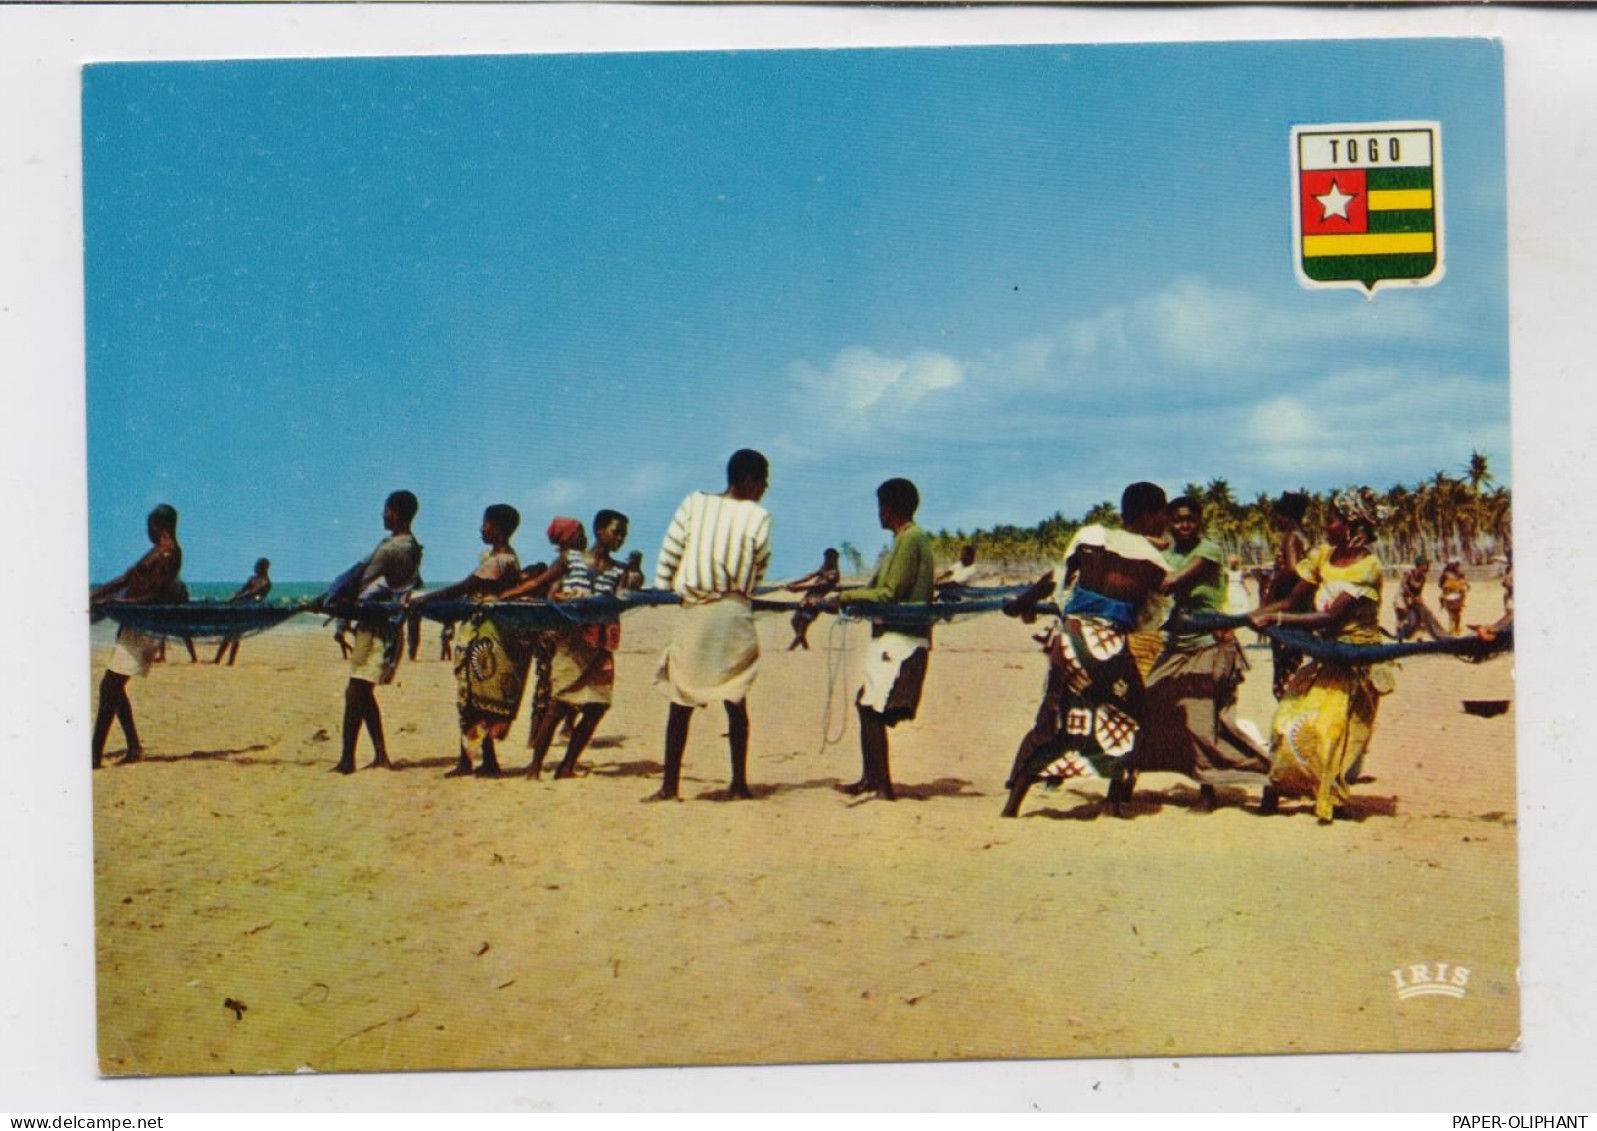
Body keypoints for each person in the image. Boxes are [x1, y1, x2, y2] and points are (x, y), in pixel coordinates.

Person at [999, 482, 1170, 818]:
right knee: (1131, 716)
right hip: (1108, 644)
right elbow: (1150, 616)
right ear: (1153, 515)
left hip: (1071, 639)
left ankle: (1013, 804)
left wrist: (1021, 605)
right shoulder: (1155, 560)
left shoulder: (1091, 535)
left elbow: (1056, 581)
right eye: (1162, 514)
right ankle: (1111, 802)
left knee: (1056, 717)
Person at [1249, 487, 1393, 824]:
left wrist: (1277, 619)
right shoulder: (1321, 557)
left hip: (1355, 659)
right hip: (1325, 654)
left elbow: (1331, 618)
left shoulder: (1368, 567)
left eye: (1332, 521)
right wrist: (1257, 615)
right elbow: (1291, 600)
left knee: (1330, 730)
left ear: (1353, 527)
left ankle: (1333, 798)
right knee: (1285, 719)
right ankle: (1276, 787)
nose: (1326, 526)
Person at [648, 449, 772, 802]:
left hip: (698, 611)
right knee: (734, 697)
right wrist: (745, 592)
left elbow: (670, 551)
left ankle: (670, 786)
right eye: (763, 481)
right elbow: (758, 566)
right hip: (732, 610)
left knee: (681, 698)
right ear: (748, 481)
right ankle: (738, 784)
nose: (764, 489)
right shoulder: (758, 516)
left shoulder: (693, 503)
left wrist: (662, 588)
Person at [1133, 498, 1270, 811]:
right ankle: (1132, 776)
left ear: (1200, 522)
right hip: (1176, 645)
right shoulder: (1169, 550)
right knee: (1152, 705)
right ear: (1169, 522)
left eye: (1190, 520)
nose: (1184, 526)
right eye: (1178, 520)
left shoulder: (1207, 551)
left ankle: (1236, 783)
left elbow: (1169, 583)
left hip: (1209, 644)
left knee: (1202, 723)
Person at [828, 479, 935, 801]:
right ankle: (870, 778)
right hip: (895, 637)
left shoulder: (911, 540)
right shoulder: (904, 540)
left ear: (888, 510)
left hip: (901, 639)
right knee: (866, 704)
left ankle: (882, 786)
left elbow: (890, 593)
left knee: (869, 707)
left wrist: (844, 598)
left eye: (880, 508)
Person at [411, 505, 526, 778]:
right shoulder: (507, 559)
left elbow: (464, 586)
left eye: (485, 524)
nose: (481, 529)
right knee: (480, 702)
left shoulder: (498, 562)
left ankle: (472, 761)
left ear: (497, 528)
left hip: (485, 637)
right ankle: (481, 760)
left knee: (473, 701)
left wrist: (425, 599)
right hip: (490, 635)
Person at [527, 509, 635, 781]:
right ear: (599, 530)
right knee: (559, 704)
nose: (620, 538)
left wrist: (635, 570)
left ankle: (566, 766)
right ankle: (534, 768)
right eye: (615, 531)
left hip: (600, 646)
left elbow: (625, 595)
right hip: (571, 642)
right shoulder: (570, 559)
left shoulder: (619, 570)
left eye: (623, 534)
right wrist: (506, 597)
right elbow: (544, 585)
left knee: (597, 707)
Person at [90, 504, 186, 768]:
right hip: (135, 623)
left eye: (150, 526)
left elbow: (157, 595)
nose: (148, 531)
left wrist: (122, 603)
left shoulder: (170, 554)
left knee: (110, 687)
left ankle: (95, 756)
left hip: (145, 626)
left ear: (158, 525)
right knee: (113, 687)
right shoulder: (158, 552)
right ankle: (132, 748)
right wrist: (95, 596)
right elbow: (125, 579)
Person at [334, 490, 422, 775]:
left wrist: (339, 609)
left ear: (395, 512)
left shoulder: (392, 548)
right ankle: (380, 754)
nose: (382, 515)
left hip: (376, 628)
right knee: (364, 691)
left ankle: (348, 759)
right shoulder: (411, 547)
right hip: (388, 626)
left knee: (355, 691)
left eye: (385, 510)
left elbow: (365, 583)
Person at [501, 517, 584, 749]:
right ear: (567, 537)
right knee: (547, 686)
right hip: (553, 633)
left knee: (552, 685)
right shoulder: (565, 560)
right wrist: (505, 597)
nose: (584, 538)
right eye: (579, 533)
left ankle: (543, 734)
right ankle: (536, 737)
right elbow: (544, 586)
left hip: (562, 631)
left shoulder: (576, 562)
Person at [1263, 491, 1313, 699]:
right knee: (1296, 665)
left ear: (1286, 515)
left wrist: (1274, 585)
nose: (1276, 519)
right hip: (1300, 612)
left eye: (1278, 514)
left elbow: (1293, 569)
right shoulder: (1305, 536)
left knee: (1285, 675)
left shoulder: (1291, 537)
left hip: (1287, 613)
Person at [213, 557, 272, 665]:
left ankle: (224, 660)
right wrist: (234, 597)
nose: (255, 567)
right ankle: (223, 660)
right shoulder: (254, 579)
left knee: (233, 633)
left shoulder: (263, 581)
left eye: (258, 566)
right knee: (233, 633)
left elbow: (253, 594)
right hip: (241, 607)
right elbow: (243, 590)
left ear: (263, 568)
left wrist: (237, 598)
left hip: (249, 609)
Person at [784, 548, 841, 651]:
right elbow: (808, 578)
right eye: (825, 558)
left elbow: (818, 586)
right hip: (807, 598)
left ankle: (791, 649)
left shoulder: (834, 574)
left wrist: (798, 588)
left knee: (803, 626)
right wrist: (793, 583)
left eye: (828, 558)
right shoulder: (823, 569)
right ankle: (805, 646)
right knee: (794, 621)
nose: (826, 560)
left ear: (834, 559)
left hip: (816, 601)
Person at [1392, 556, 1446, 642]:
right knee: (1402, 612)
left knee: (1421, 614)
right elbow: (1404, 586)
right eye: (1425, 565)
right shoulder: (1409, 573)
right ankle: (1400, 636)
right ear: (1419, 566)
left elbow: (1419, 592)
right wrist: (1411, 598)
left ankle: (1419, 636)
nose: (1428, 567)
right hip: (1402, 596)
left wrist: (1418, 600)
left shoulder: (1423, 578)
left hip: (1412, 597)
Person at [1439, 560, 1471, 636]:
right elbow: (1441, 584)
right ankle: (1454, 628)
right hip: (1451, 595)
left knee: (1454, 613)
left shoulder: (1458, 574)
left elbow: (1440, 585)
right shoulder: (1447, 574)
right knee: (1455, 613)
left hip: (1455, 595)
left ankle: (1454, 628)